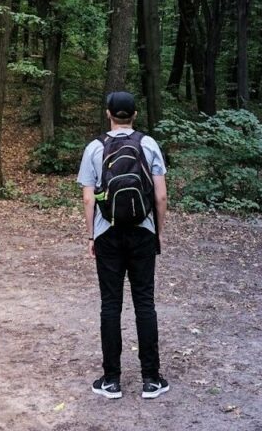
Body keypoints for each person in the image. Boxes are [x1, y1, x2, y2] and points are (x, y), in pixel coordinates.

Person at [77, 90, 169, 400]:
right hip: (143, 231)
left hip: (108, 233)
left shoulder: (94, 147)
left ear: (108, 114)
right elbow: (161, 196)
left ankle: (111, 380)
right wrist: (158, 232)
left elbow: (88, 198)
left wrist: (92, 235)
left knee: (110, 304)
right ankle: (151, 379)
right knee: (144, 302)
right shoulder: (149, 144)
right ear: (134, 115)